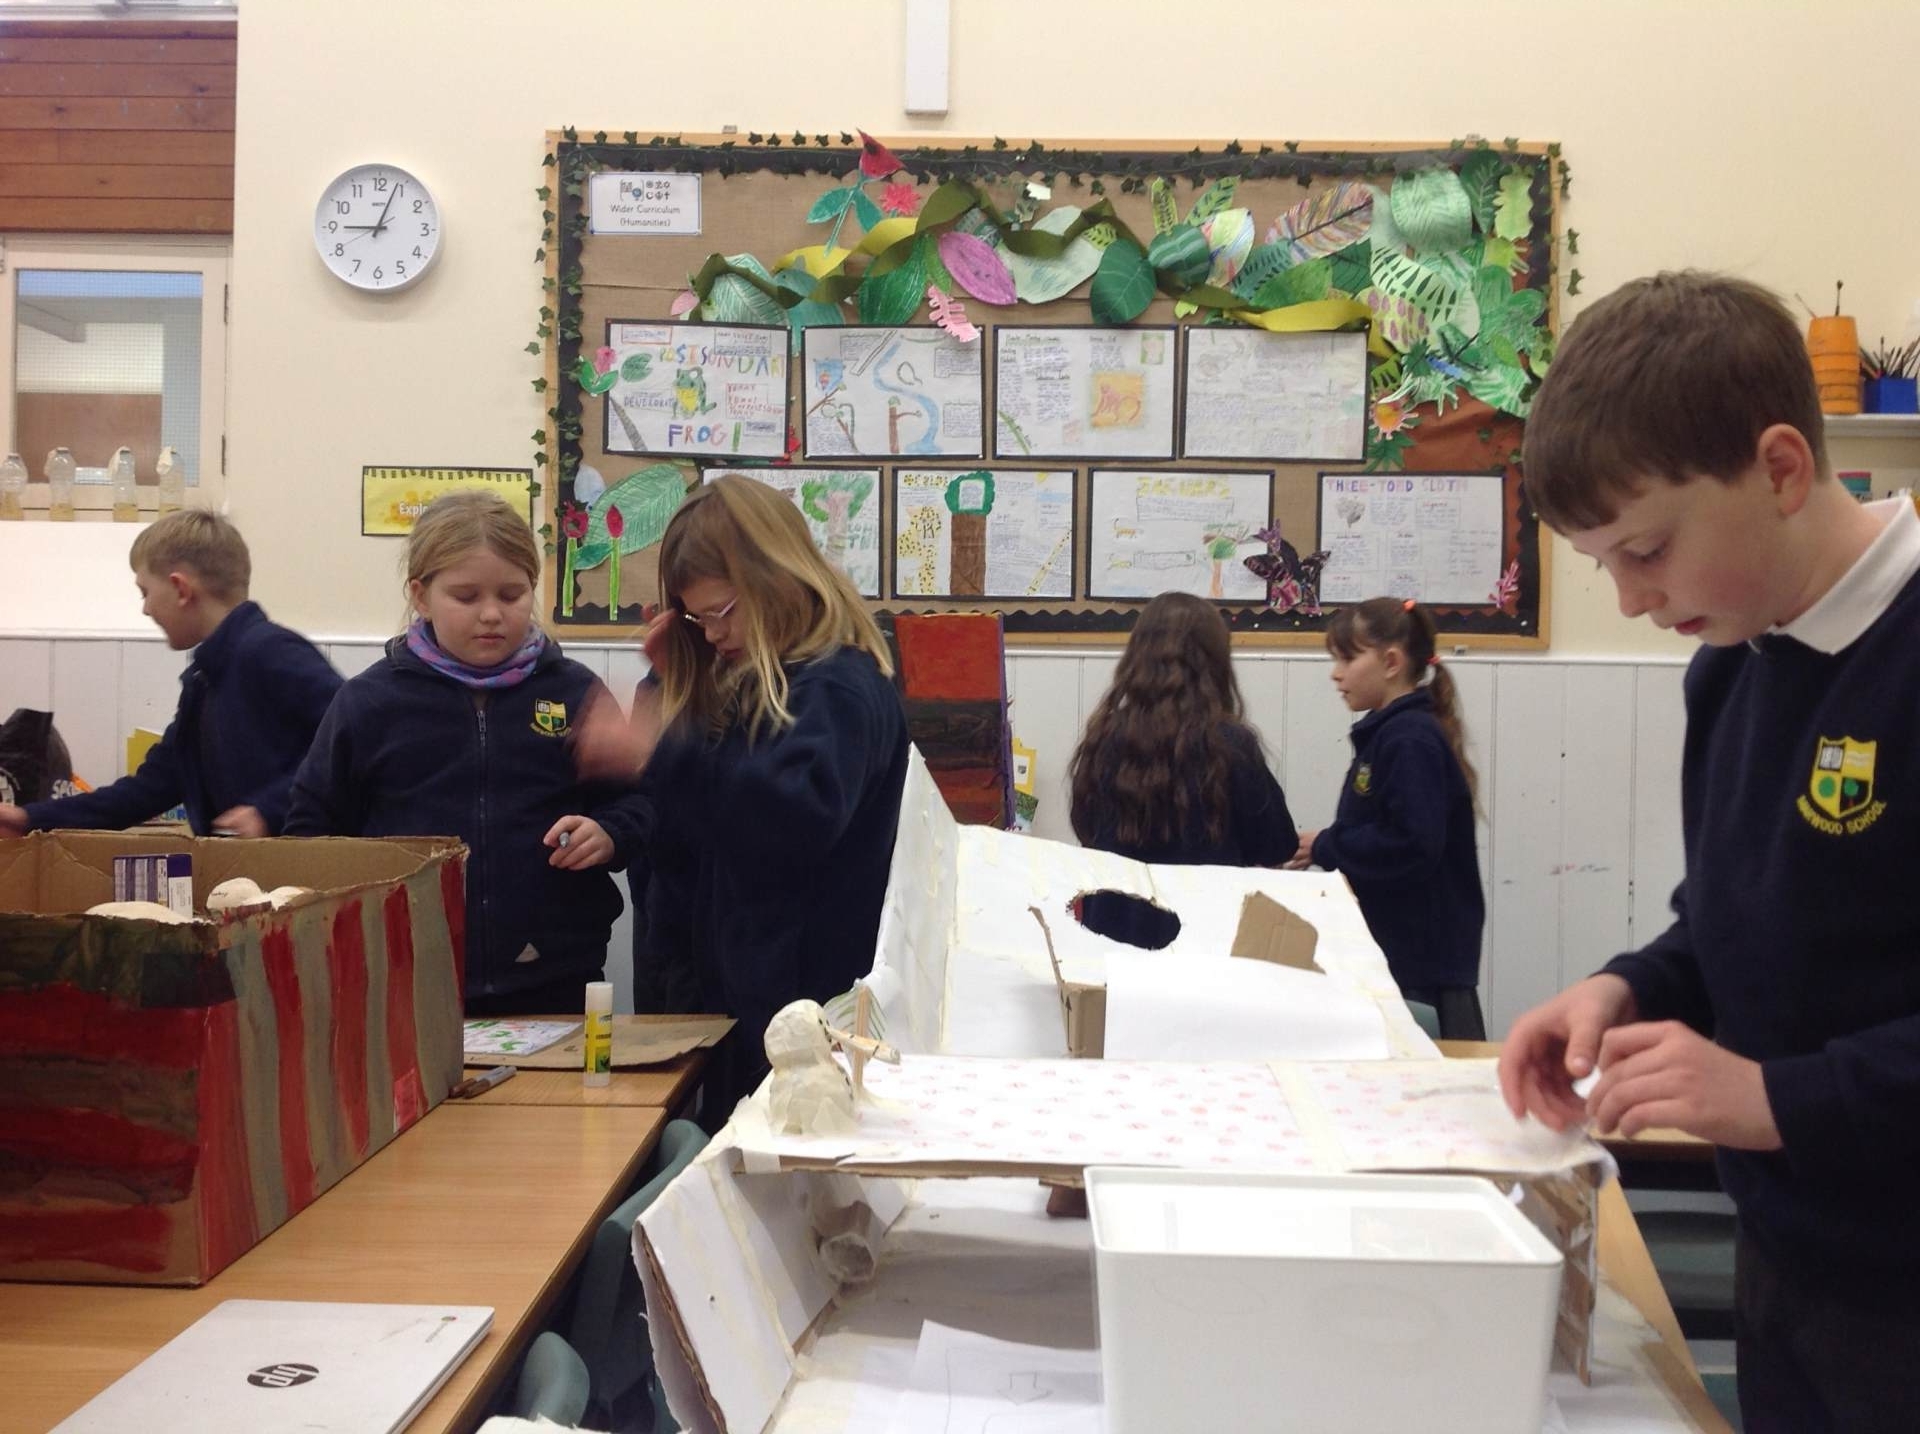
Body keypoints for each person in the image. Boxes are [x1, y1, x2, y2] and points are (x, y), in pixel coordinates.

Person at [1496, 271, 1920, 1432]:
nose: (1632, 599)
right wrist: (1632, 985)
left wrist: (1777, 1096)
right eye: (1603, 565)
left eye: (1647, 549)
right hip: (1792, 1262)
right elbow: (1741, 915)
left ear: (1780, 470)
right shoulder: (1731, 665)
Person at [575, 475, 909, 1125]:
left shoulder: (836, 688)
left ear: (778, 578)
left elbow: (787, 822)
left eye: (721, 612)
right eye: (695, 619)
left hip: (803, 1020)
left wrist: (661, 751)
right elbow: (689, 836)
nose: (710, 633)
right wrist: (670, 697)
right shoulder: (744, 674)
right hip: (739, 1007)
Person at [285, 491, 645, 1015]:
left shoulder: (574, 692)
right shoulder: (369, 703)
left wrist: (609, 834)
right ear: (421, 595)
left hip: (556, 979)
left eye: (512, 594)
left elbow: (636, 804)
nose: (492, 614)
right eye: (466, 596)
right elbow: (309, 830)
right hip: (402, 983)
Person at [0, 509, 339, 839]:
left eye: (145, 592)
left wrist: (268, 810)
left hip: (302, 868)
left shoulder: (270, 651)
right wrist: (29, 819)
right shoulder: (203, 682)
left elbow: (354, 744)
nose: (145, 608)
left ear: (181, 589)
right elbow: (148, 789)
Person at [1287, 596, 1485, 1040]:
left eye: (1347, 659)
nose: (1336, 674)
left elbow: (1412, 844)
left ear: (1391, 662)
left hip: (1420, 963)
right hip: (1401, 949)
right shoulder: (1390, 733)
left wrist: (1328, 845)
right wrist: (1325, 846)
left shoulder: (1410, 740)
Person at [1067, 592, 1296, 947]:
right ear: (1214, 663)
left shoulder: (1104, 738)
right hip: (1203, 942)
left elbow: (1085, 828)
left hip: (1112, 942)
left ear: (1137, 657)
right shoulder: (1230, 744)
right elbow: (1277, 845)